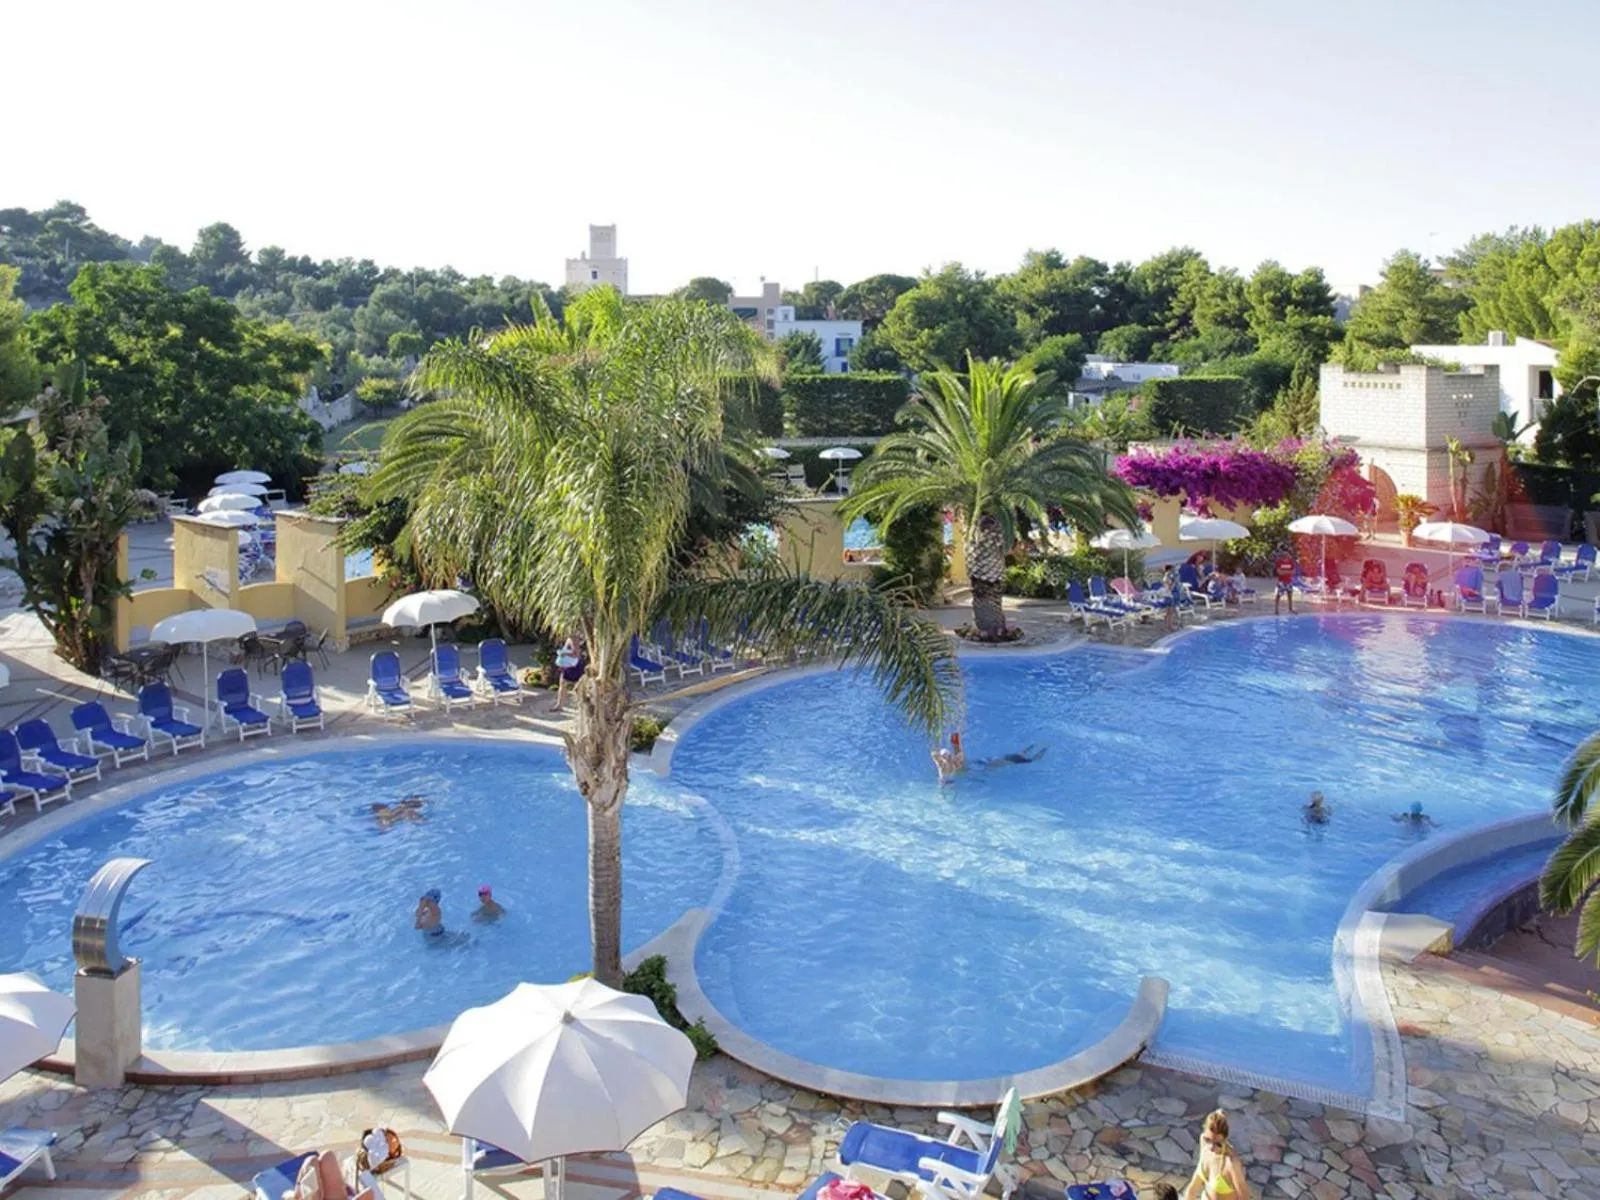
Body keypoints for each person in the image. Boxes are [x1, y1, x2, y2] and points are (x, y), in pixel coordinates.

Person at [1183, 1110, 1249, 1200]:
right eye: (1208, 1139)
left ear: (1225, 1140)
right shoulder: (1203, 1142)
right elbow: (1193, 1188)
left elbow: (1244, 1197)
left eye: (1218, 1144)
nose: (1211, 1147)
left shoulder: (1231, 1162)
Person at [977, 744, 1047, 769]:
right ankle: (1035, 746)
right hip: (1008, 757)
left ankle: (1044, 749)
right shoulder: (987, 762)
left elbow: (989, 770)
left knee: (1034, 760)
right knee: (1021, 753)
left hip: (1011, 760)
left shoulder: (989, 765)